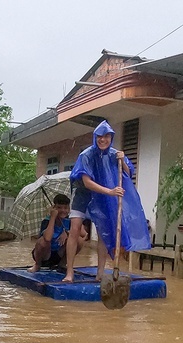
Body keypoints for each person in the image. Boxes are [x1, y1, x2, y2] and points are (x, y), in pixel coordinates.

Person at [63, 120, 150, 282]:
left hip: (102, 197)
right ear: (95, 138)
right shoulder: (86, 155)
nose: (103, 140)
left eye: (106, 137)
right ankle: (70, 272)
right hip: (83, 194)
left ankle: (100, 272)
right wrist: (110, 191)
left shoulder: (114, 154)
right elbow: (87, 182)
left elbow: (128, 172)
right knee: (74, 229)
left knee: (103, 233)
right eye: (99, 137)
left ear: (111, 138)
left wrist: (123, 160)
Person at [28, 193, 84, 272]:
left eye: (65, 208)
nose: (63, 210)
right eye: (59, 208)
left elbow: (84, 235)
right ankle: (37, 265)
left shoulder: (69, 221)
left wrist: (68, 233)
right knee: (42, 242)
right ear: (54, 208)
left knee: (78, 240)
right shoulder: (47, 221)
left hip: (59, 254)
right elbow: (47, 238)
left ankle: (63, 264)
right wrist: (53, 217)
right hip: (45, 255)